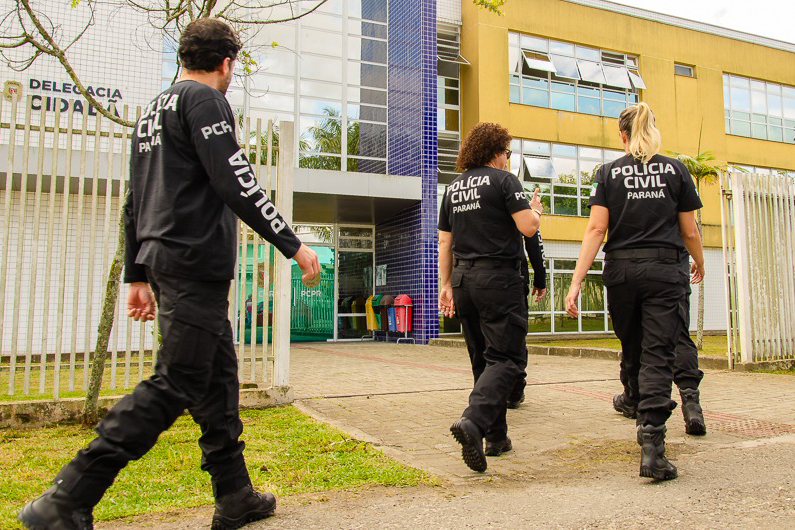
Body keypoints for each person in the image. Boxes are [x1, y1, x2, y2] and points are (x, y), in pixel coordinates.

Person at [18, 18, 319, 530]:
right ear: (226, 63)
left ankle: (235, 494)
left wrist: (137, 273)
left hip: (166, 261)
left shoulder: (152, 113)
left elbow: (135, 200)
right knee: (176, 381)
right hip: (192, 260)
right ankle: (67, 497)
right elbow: (235, 179)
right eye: (232, 67)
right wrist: (291, 244)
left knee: (218, 379)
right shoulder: (205, 102)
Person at [564, 102, 704, 481]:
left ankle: (635, 405)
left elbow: (596, 231)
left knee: (634, 349)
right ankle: (652, 449)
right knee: (658, 354)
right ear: (653, 131)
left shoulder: (606, 173)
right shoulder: (675, 169)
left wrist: (575, 282)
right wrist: (701, 262)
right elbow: (689, 231)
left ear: (621, 136)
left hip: (622, 272)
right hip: (664, 270)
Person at [438, 122, 543, 472]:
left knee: (483, 361)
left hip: (464, 278)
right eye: (508, 153)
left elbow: (444, 243)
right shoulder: (504, 181)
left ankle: (496, 438)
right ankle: (473, 422)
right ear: (497, 152)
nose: (508, 159)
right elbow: (528, 227)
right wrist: (536, 210)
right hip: (499, 279)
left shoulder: (453, 188)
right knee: (508, 359)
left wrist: (446, 285)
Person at [612, 285, 707, 436]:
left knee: (634, 338)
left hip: (632, 275)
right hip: (672, 274)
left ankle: (633, 398)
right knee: (678, 335)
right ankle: (691, 403)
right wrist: (698, 260)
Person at [507, 232, 547, 409]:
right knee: (515, 336)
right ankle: (514, 390)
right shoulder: (519, 205)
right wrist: (540, 278)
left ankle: (485, 391)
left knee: (484, 338)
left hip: (475, 279)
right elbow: (534, 243)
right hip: (513, 278)